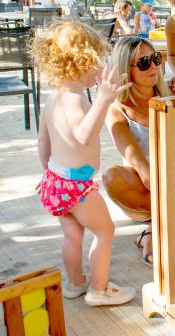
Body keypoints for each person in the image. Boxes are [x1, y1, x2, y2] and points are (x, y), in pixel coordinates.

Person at [32, 20, 135, 307]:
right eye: (97, 61)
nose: (101, 68)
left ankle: (75, 282)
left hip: (55, 181)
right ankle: (99, 289)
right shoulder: (75, 102)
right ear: (81, 62)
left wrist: (48, 173)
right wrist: (103, 100)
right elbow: (83, 135)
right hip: (76, 185)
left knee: (72, 236)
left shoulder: (52, 100)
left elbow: (43, 143)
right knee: (105, 231)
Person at [102, 36, 175, 265]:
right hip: (150, 187)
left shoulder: (171, 92)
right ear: (126, 69)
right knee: (112, 177)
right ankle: (173, 214)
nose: (152, 66)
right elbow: (140, 166)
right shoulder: (117, 110)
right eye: (143, 62)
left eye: (155, 58)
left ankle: (154, 229)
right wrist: (172, 200)